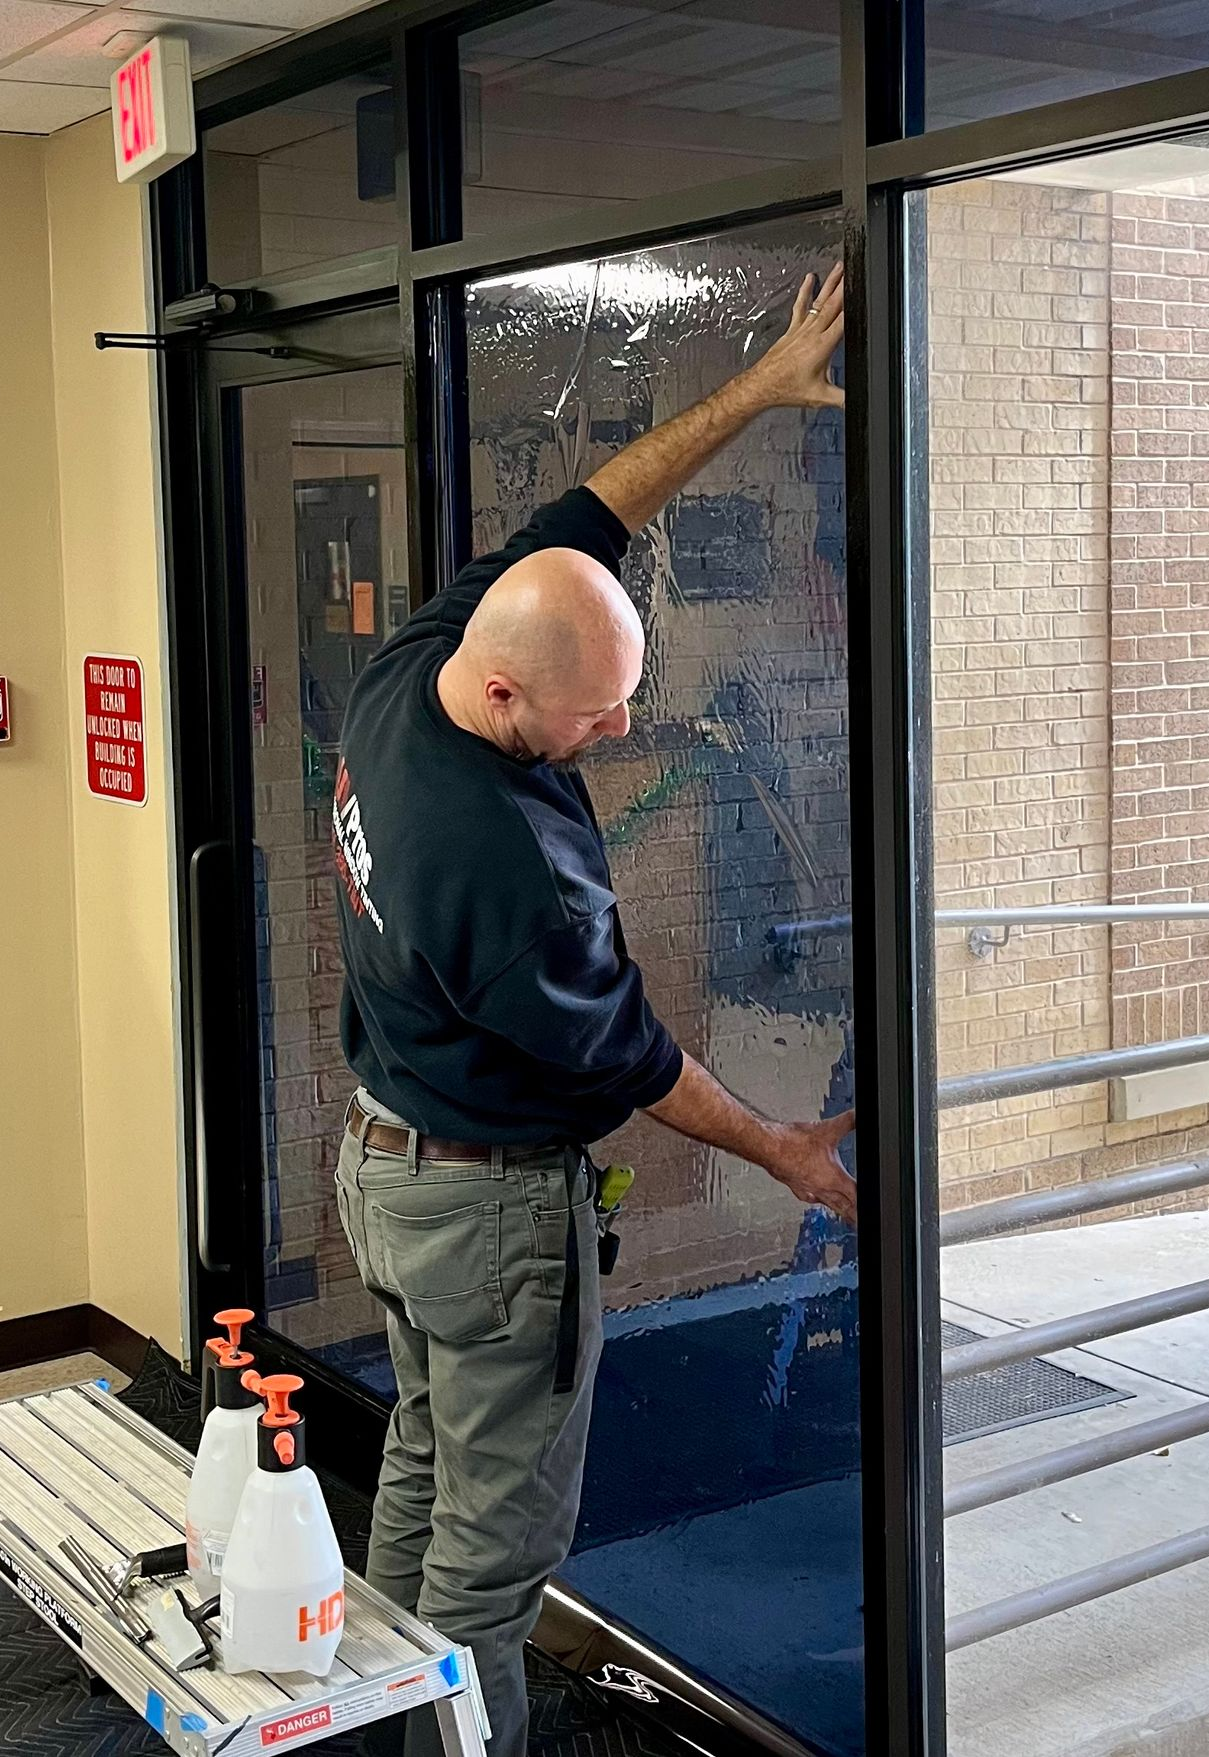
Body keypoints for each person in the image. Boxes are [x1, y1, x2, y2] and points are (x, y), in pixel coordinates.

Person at [332, 264, 854, 1757]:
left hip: (389, 1167)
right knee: (491, 1577)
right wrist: (780, 1151)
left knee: (425, 1478)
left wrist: (751, 392)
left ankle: (375, 1731)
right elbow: (631, 1059)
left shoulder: (414, 664)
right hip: (489, 1217)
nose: (621, 732)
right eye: (595, 715)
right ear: (506, 701)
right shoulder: (502, 875)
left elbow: (593, 508)